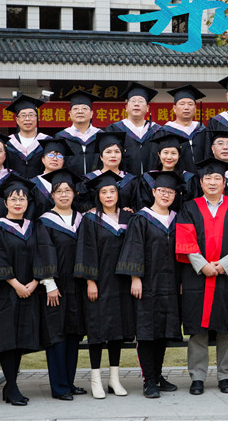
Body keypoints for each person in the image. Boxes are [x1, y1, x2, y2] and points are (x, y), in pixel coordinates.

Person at [175, 158, 228, 396]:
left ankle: (225, 376)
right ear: (201, 182)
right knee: (198, 330)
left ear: (224, 182)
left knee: (226, 328)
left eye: (217, 178)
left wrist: (224, 265)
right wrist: (203, 265)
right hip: (197, 276)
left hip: (227, 276)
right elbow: (186, 240)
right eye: (208, 178)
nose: (212, 182)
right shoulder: (189, 207)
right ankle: (197, 377)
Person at [117, 171, 184, 398]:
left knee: (163, 330)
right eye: (162, 191)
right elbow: (133, 247)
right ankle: (149, 380)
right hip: (147, 284)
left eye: (170, 192)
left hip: (170, 284)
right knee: (147, 332)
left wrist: (181, 281)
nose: (166, 195)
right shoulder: (141, 218)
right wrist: (135, 278)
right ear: (154, 192)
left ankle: (159, 375)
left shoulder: (177, 219)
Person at [0, 176, 46, 406]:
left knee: (21, 339)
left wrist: (35, 282)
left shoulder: (34, 227)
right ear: (5, 202)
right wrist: (15, 283)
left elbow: (42, 255)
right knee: (7, 338)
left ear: (28, 202)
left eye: (22, 199)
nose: (18, 203)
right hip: (5, 293)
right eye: (13, 199)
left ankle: (10, 386)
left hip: (29, 291)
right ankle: (12, 386)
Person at [74, 170, 136, 399]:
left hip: (122, 282)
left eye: (112, 191)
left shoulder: (128, 217)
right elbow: (86, 250)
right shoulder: (90, 219)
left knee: (117, 331)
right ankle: (95, 379)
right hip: (99, 283)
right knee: (97, 330)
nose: (109, 195)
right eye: (104, 192)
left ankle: (114, 378)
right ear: (98, 196)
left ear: (118, 194)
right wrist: (90, 282)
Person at [37, 169, 86, 401]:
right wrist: (49, 283)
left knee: (73, 334)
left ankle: (69, 381)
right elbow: (42, 252)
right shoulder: (45, 221)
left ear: (74, 194)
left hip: (77, 286)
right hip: (55, 287)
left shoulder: (82, 219)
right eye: (59, 191)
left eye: (68, 190)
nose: (64, 195)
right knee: (57, 335)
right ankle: (58, 387)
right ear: (52, 195)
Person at [108, 82, 161, 175]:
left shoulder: (157, 131)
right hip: (124, 181)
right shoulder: (114, 129)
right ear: (126, 107)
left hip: (152, 181)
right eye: (133, 101)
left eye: (141, 101)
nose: (136, 104)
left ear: (148, 108)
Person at [78, 132, 139, 212]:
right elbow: (81, 203)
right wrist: (90, 209)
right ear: (101, 157)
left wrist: (131, 210)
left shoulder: (131, 180)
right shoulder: (89, 179)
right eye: (108, 152)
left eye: (117, 152)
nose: (113, 155)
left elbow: (137, 204)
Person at [138, 132, 198, 212]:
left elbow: (191, 207)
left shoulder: (188, 179)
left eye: (173, 153)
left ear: (179, 155)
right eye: (165, 152)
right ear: (159, 154)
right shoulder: (148, 179)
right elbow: (142, 206)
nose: (169, 157)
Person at [158, 84, 209, 172]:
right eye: (182, 104)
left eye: (190, 104)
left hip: (202, 177)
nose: (186, 107)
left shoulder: (203, 131)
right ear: (174, 108)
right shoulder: (164, 132)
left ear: (195, 108)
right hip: (177, 177)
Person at [55, 89, 102, 176]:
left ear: (91, 113)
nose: (80, 111)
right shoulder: (61, 137)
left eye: (84, 108)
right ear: (70, 114)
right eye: (75, 108)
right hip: (70, 182)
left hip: (97, 181)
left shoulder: (101, 136)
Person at [4, 94, 50, 179]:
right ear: (17, 120)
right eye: (23, 115)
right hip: (15, 186)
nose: (27, 119)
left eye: (31, 115)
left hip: (40, 186)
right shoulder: (8, 143)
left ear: (37, 118)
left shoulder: (47, 141)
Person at [30, 138, 74, 220]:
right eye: (50, 155)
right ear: (43, 159)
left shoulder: (69, 183)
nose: (55, 159)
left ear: (63, 161)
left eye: (59, 156)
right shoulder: (33, 184)